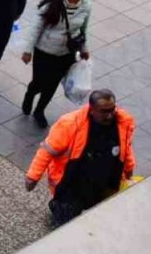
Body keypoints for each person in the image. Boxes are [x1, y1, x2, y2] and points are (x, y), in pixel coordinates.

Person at [26, 89, 136, 226]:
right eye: (104, 111)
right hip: (73, 183)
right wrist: (33, 176)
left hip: (104, 183)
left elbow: (126, 147)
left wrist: (129, 168)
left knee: (94, 214)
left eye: (112, 110)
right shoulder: (70, 123)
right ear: (92, 109)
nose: (109, 115)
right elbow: (47, 151)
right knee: (65, 218)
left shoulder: (122, 122)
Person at [21, 0, 91, 129]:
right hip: (44, 51)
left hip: (66, 53)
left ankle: (39, 110)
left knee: (52, 84)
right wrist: (27, 50)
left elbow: (84, 30)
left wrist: (84, 49)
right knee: (39, 81)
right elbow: (36, 28)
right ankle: (30, 94)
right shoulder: (51, 5)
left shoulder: (86, 7)